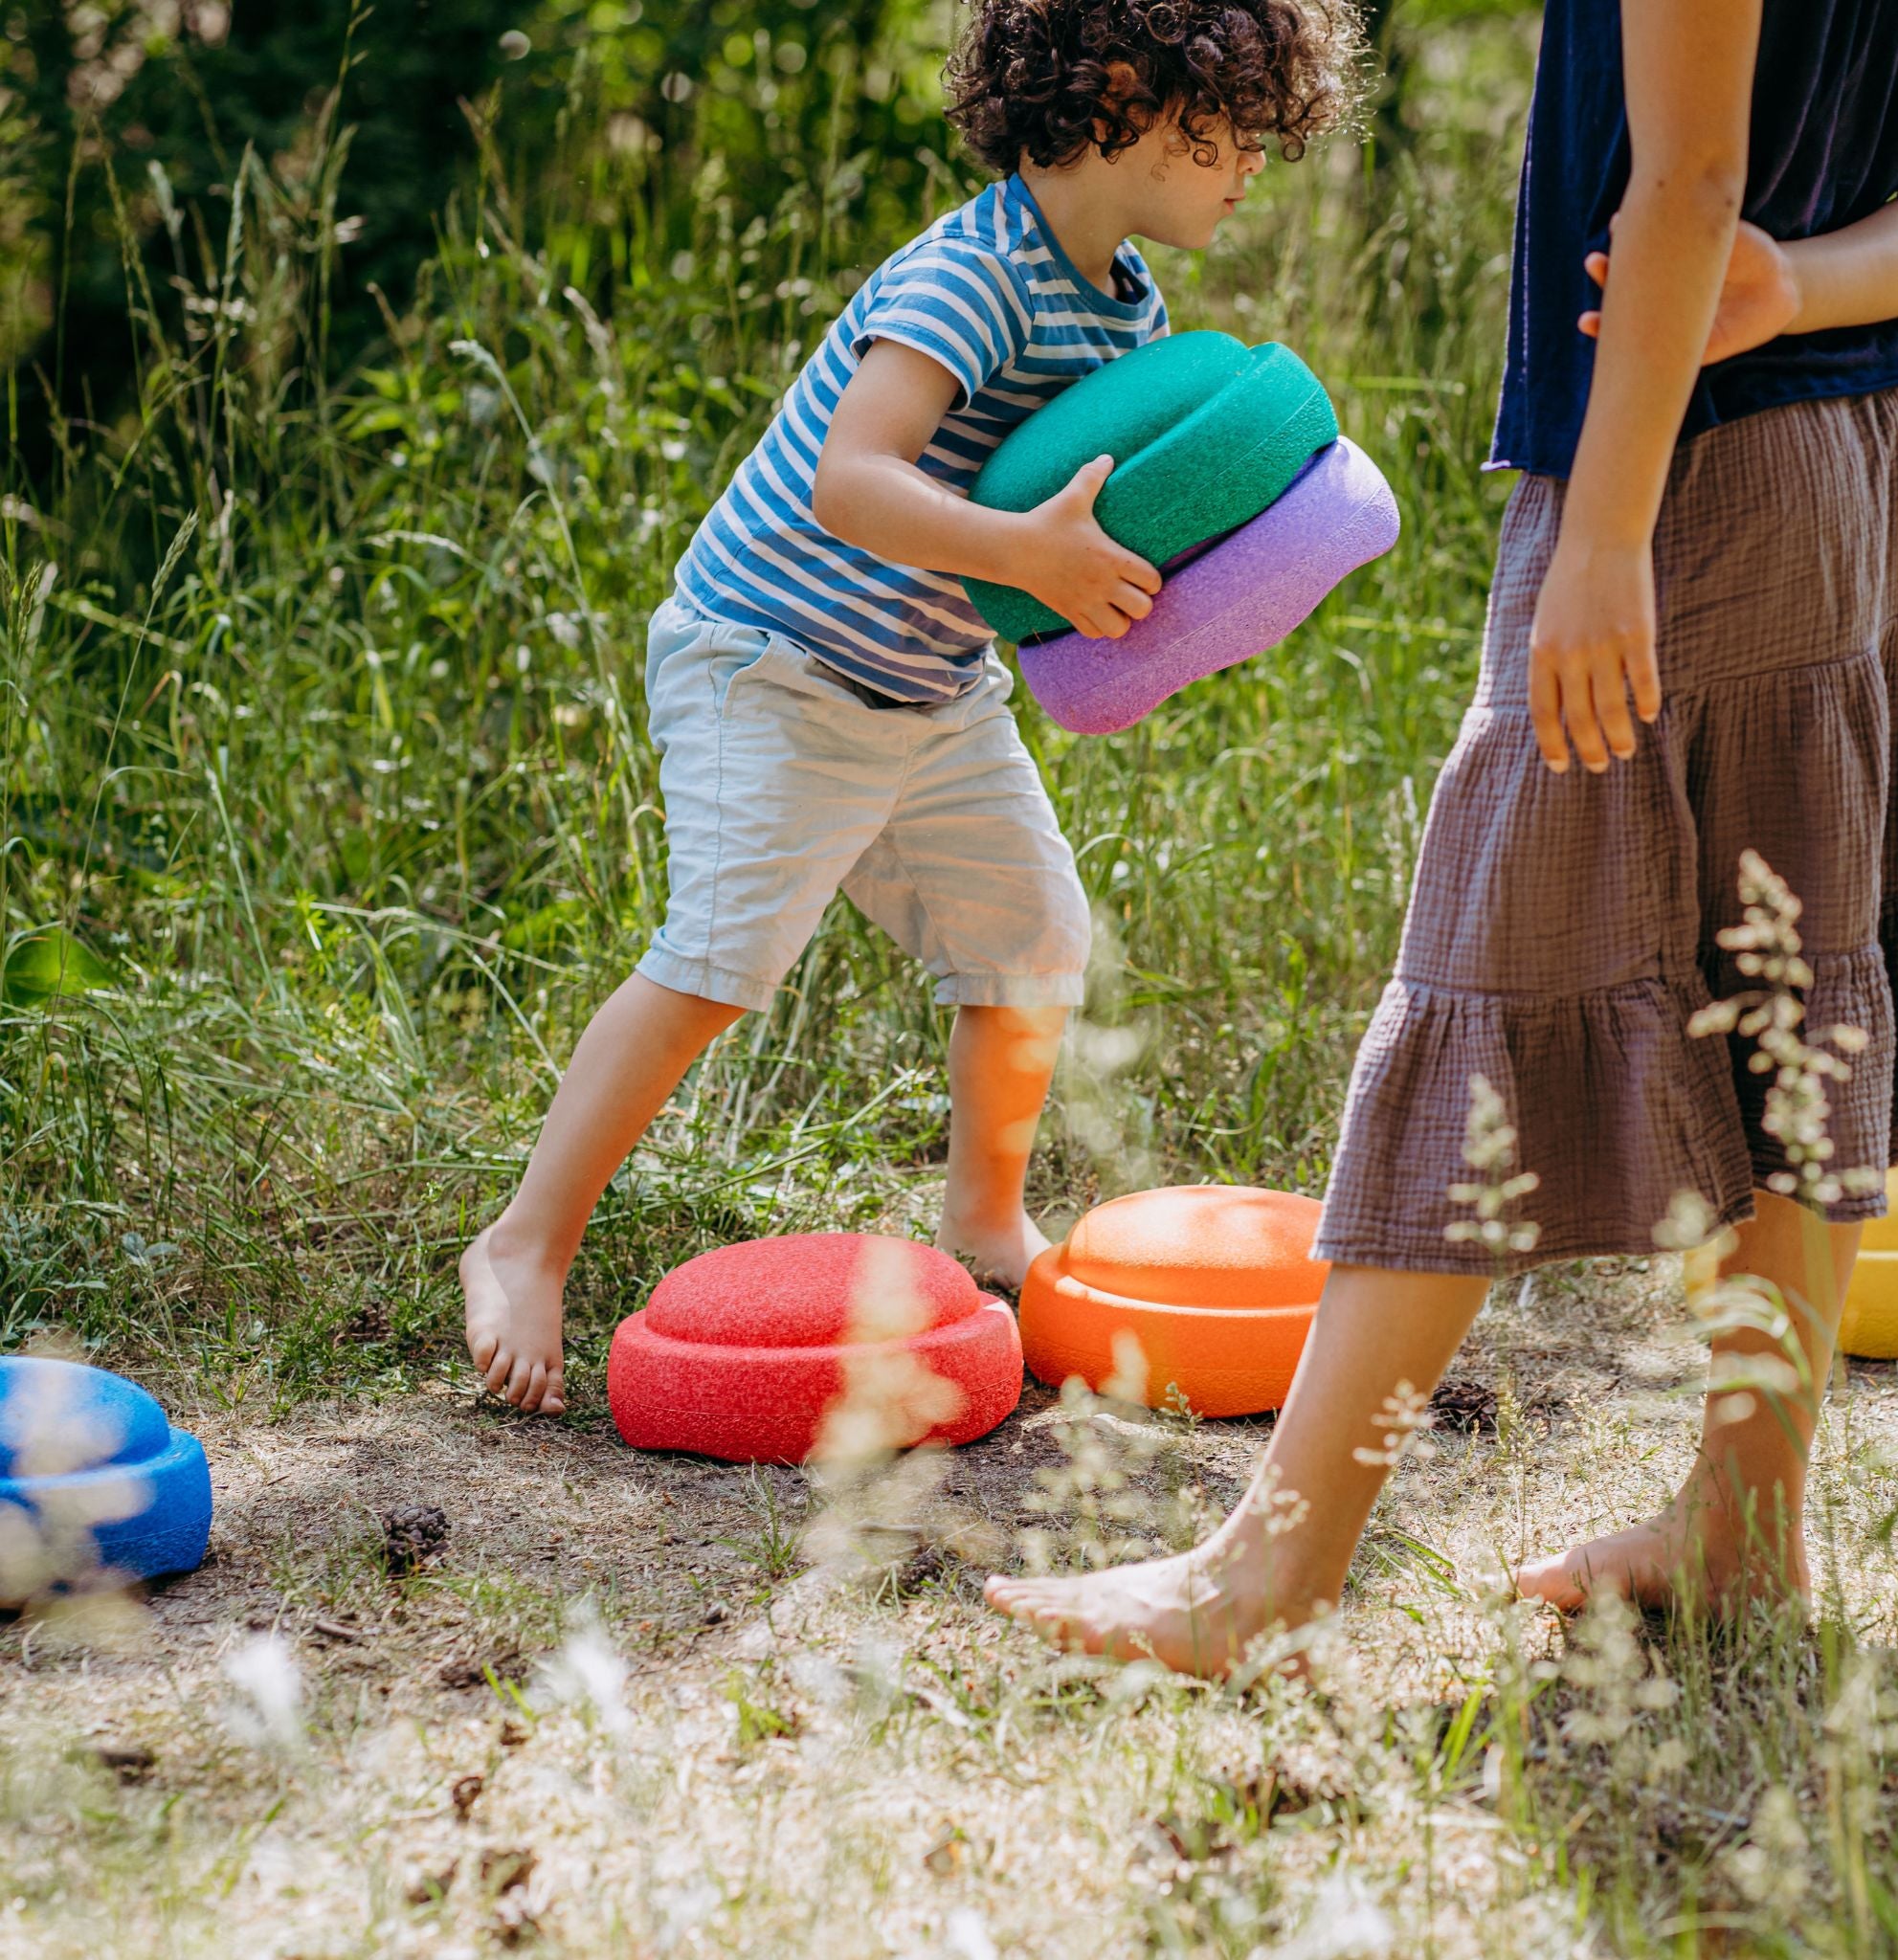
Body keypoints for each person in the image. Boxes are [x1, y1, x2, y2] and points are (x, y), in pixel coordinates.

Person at [988, 0, 1898, 1670]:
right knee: (1799, 1000)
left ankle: (1266, 1579)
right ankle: (1744, 1522)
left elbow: (1689, 183)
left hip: (1692, 485)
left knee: (1487, 976)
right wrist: (1802, 290)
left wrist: (1603, 529)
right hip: (1870, 463)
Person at [461, 0, 1358, 1414]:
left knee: (1032, 937)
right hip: (773, 655)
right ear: (1124, 95)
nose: (1257, 159)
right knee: (719, 959)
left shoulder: (1128, 303)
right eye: (1232, 127)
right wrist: (1028, 560)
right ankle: (524, 1241)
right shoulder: (972, 273)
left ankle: (986, 1223)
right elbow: (853, 481)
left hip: (932, 685)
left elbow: (1094, 523)